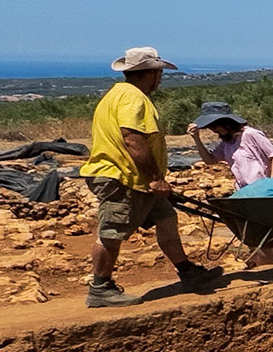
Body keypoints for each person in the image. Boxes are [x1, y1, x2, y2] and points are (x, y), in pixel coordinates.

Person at [79, 47, 223, 308]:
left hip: (138, 180)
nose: (160, 78)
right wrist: (156, 178)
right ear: (152, 73)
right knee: (111, 231)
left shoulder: (117, 94)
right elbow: (133, 139)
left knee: (167, 218)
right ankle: (100, 288)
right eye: (159, 73)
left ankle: (187, 272)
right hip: (123, 177)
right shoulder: (134, 99)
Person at [187, 101, 273, 189]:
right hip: (244, 191)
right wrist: (196, 139)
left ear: (226, 123)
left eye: (214, 126)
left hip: (263, 188)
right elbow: (210, 160)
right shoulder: (226, 143)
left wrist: (272, 184)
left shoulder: (250, 134)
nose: (213, 130)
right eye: (210, 127)